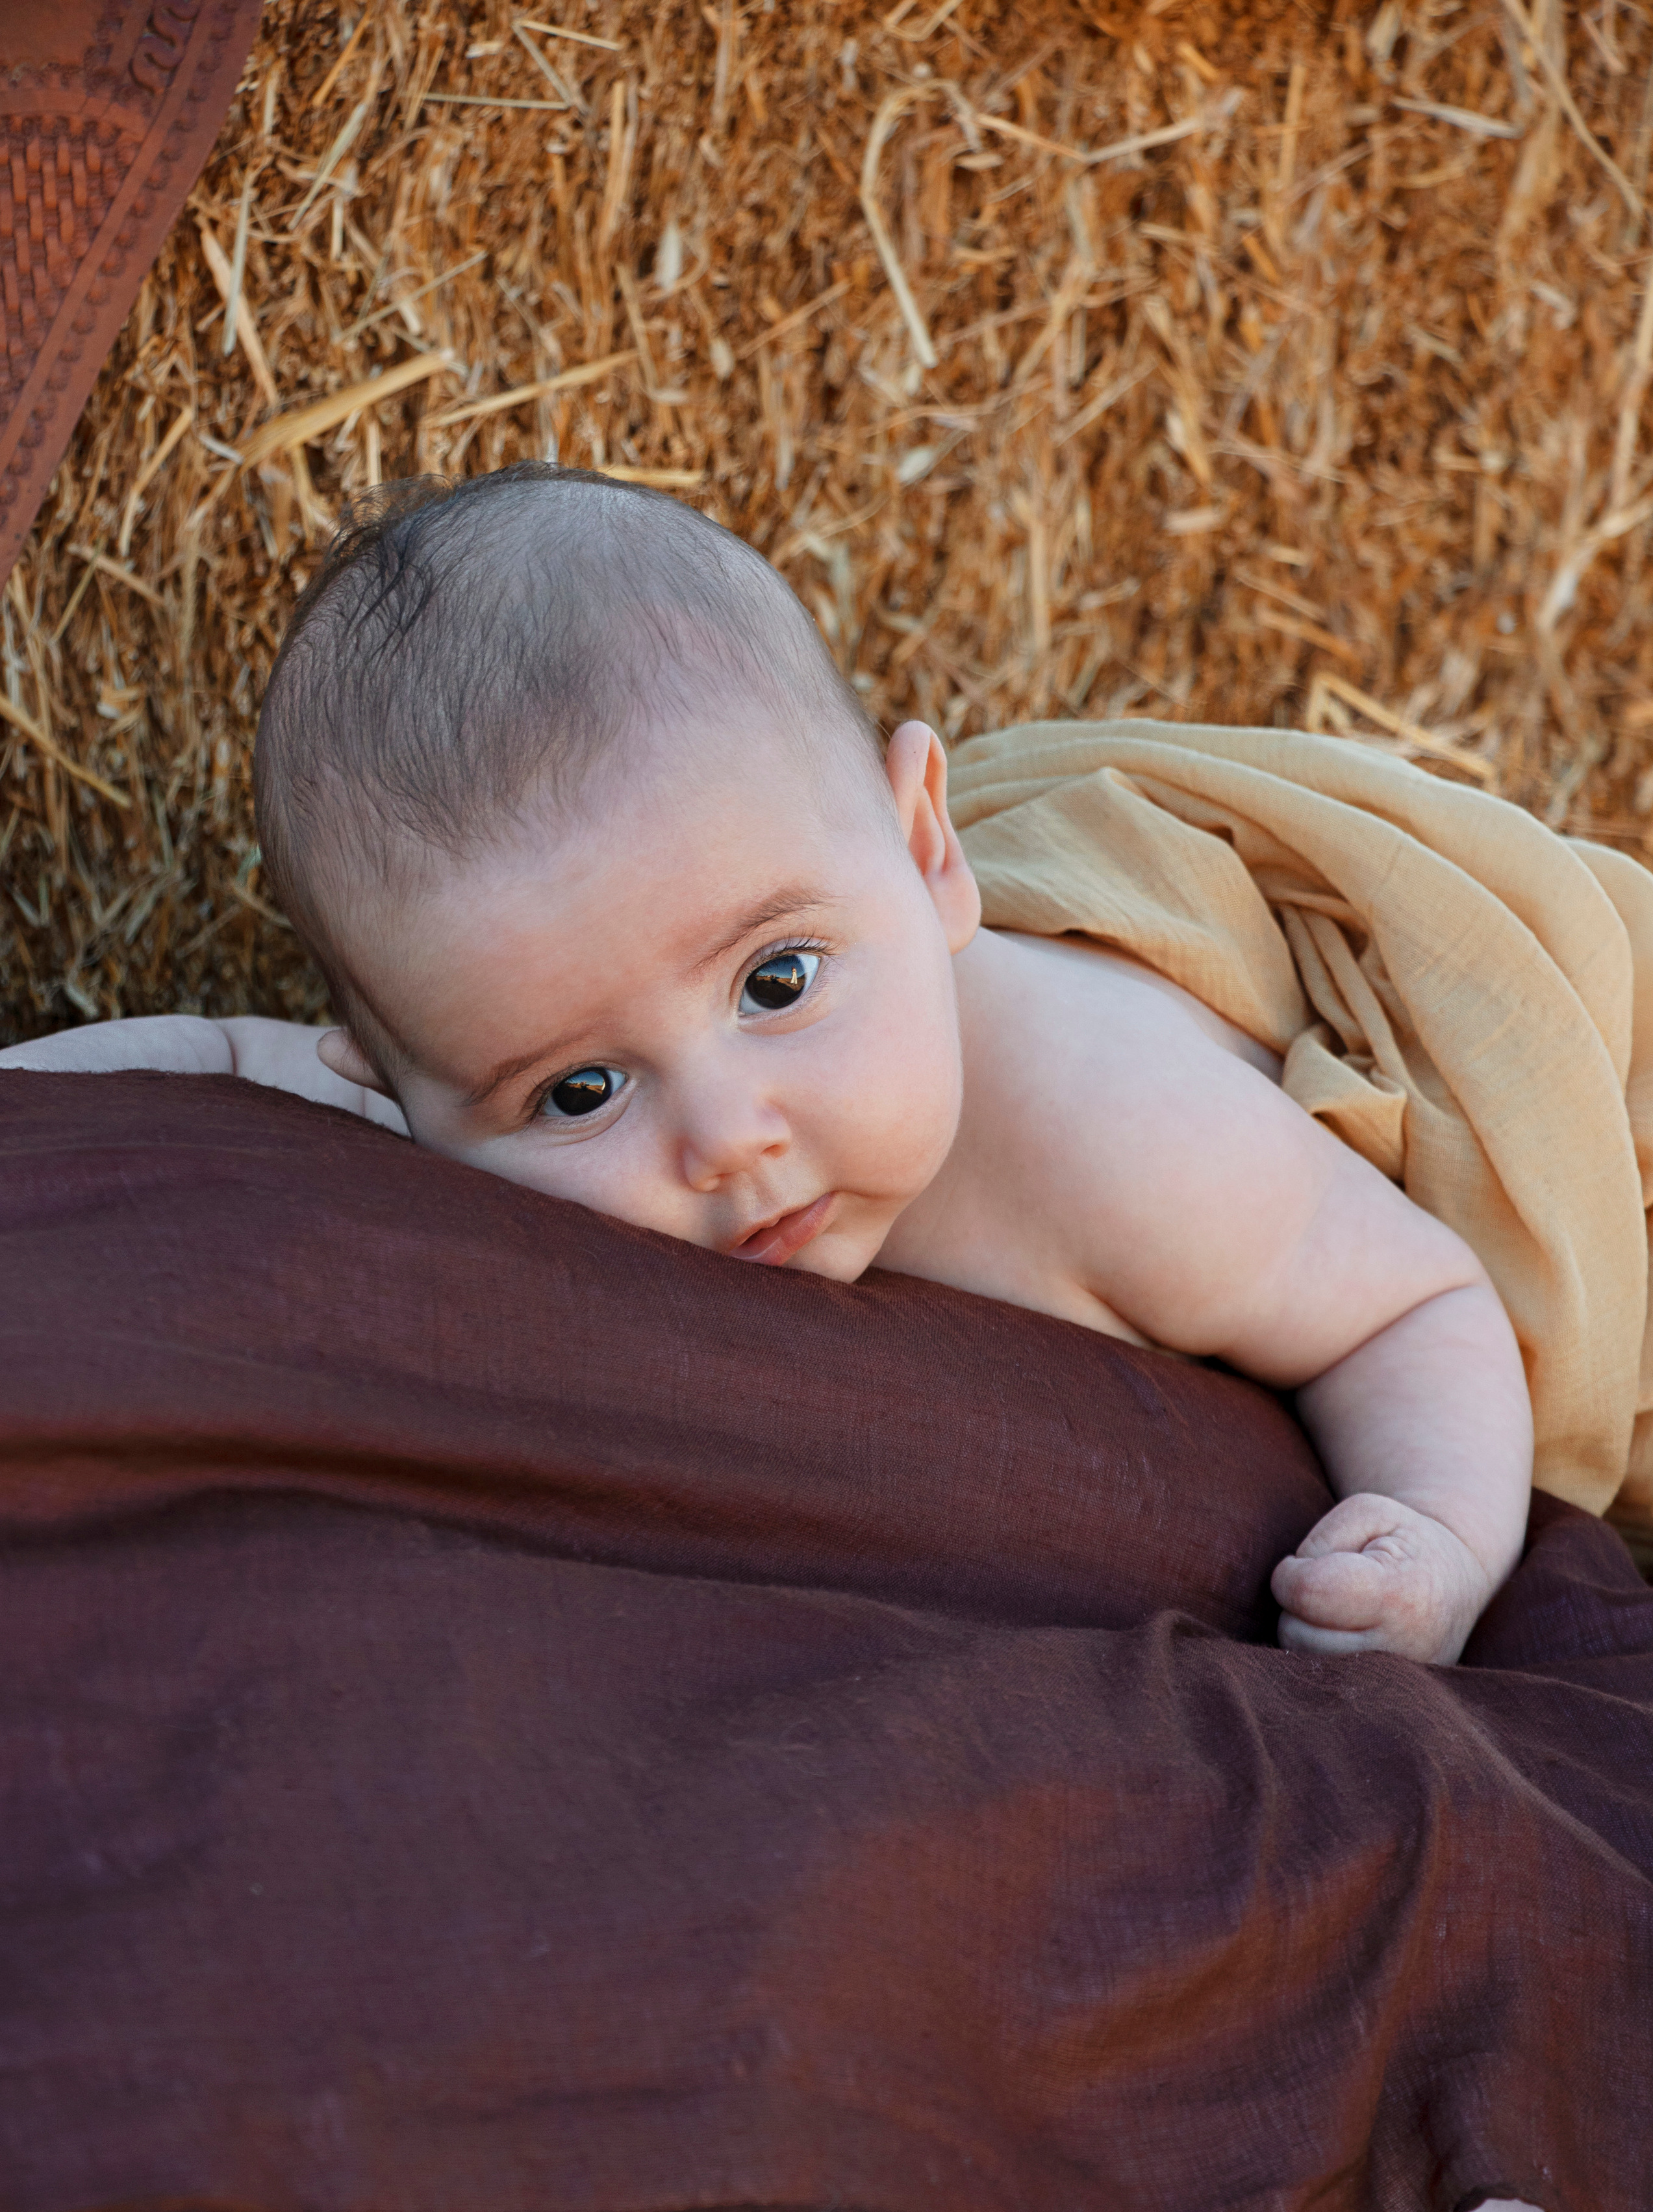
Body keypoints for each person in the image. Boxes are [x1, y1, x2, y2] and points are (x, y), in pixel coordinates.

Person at [0, 464, 1533, 1667]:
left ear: (927, 855)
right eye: (581, 1093)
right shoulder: (450, 1095)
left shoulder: (1115, 1137)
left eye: (776, 982)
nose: (727, 1138)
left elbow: (1418, 1299)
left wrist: (1434, 1538)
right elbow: (215, 1059)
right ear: (401, 1093)